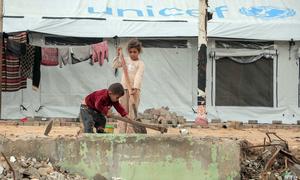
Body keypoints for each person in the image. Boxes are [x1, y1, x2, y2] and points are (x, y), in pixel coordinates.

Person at [113, 38, 145, 133]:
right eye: (130, 52)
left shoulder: (140, 63)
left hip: (134, 91)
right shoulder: (125, 60)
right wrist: (118, 55)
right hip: (123, 90)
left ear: (138, 52)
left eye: (134, 52)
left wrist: (135, 88)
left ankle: (130, 133)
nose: (132, 54)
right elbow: (115, 65)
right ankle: (121, 132)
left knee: (131, 113)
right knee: (122, 111)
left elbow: (138, 75)